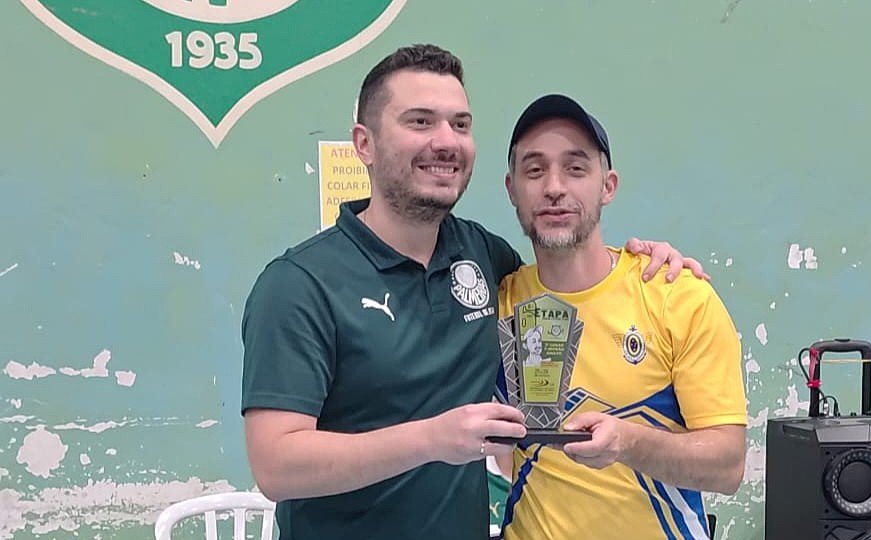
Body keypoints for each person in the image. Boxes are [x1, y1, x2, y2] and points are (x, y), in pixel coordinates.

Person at [241, 44, 706, 540]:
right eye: (420, 121)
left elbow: (570, 279)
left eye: (460, 124)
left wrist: (643, 260)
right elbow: (276, 466)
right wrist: (431, 439)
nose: (446, 141)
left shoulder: (484, 256)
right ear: (364, 144)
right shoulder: (298, 284)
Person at [497, 94, 747, 540]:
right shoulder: (494, 304)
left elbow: (728, 466)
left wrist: (628, 443)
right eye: (534, 170)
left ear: (607, 186)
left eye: (576, 168)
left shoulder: (676, 296)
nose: (554, 187)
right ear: (511, 189)